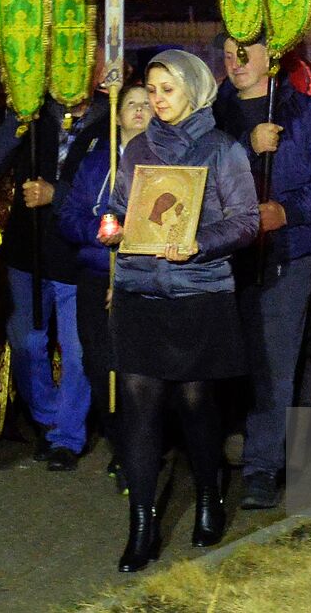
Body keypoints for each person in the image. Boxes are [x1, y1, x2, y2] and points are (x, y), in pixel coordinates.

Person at [101, 51, 259, 571]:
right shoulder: (136, 149)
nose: (156, 99)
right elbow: (121, 207)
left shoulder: (223, 149)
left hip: (197, 294)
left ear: (193, 88)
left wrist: (199, 242)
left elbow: (246, 222)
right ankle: (142, 524)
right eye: (150, 89)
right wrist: (113, 223)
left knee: (195, 403)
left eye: (167, 89)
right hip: (139, 293)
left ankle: (210, 493)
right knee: (139, 407)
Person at [214, 35, 311, 510]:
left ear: (271, 57)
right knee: (241, 356)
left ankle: (261, 467)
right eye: (230, 53)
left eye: (246, 52)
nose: (237, 63)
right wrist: (247, 148)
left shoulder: (301, 113)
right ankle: (267, 445)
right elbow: (198, 173)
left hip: (287, 252)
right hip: (226, 255)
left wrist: (287, 211)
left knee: (275, 355)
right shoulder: (215, 112)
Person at [0, 81, 110, 469]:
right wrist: (17, 123)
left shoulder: (111, 117)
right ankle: (48, 416)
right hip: (28, 250)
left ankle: (66, 437)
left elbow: (113, 182)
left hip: (77, 254)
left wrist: (60, 193)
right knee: (25, 340)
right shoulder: (30, 110)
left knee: (77, 350)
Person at [57, 83, 152, 490]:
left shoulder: (163, 162)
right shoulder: (96, 163)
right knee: (100, 366)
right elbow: (69, 215)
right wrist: (98, 231)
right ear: (116, 114)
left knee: (136, 369)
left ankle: (141, 450)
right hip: (97, 275)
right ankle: (119, 443)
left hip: (144, 278)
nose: (139, 111)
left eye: (148, 105)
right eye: (131, 104)